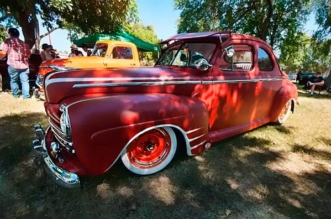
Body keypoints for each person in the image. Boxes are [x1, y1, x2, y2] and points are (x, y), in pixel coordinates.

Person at [0, 28, 31, 99]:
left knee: (14, 80)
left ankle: (15, 95)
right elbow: (29, 55)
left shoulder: (7, 42)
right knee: (25, 81)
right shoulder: (25, 44)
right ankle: (26, 96)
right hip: (24, 65)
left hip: (13, 64)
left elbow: (3, 53)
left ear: (10, 33)